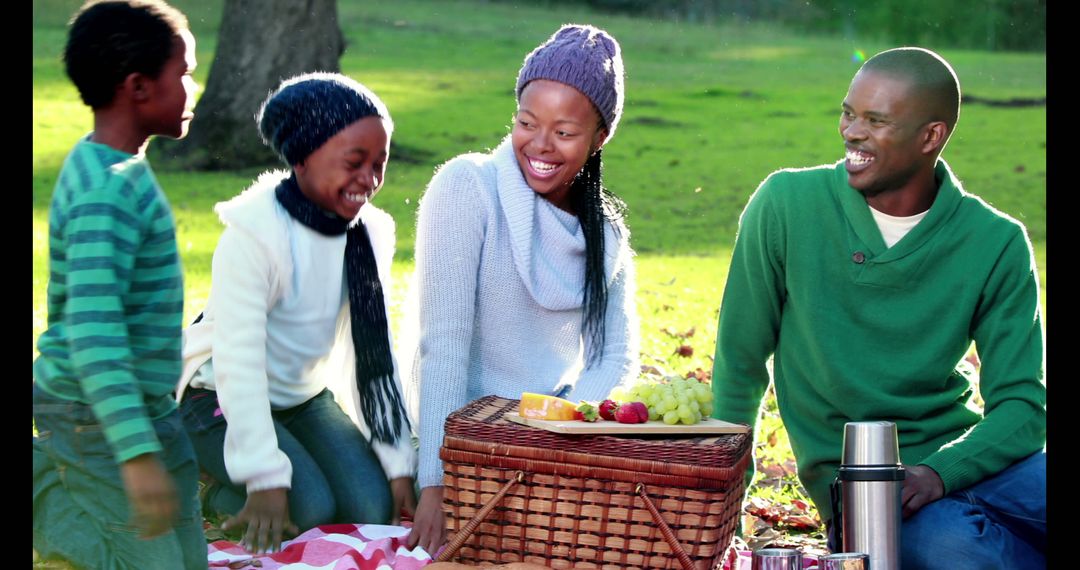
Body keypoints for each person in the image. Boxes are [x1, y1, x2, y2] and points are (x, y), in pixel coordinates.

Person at [711, 47, 1046, 568]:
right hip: (867, 493)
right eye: (848, 113)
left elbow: (1023, 407)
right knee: (960, 552)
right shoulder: (786, 206)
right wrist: (720, 518)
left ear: (930, 136)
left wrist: (940, 473)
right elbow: (739, 365)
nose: (851, 132)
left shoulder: (995, 241)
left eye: (875, 120)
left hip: (977, 463)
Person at [404, 24, 641, 554]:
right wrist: (435, 483)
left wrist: (557, 435)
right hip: (461, 438)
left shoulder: (605, 234)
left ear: (600, 136)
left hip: (554, 436)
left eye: (564, 131)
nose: (540, 144)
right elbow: (442, 342)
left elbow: (615, 356)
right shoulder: (467, 187)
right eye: (527, 123)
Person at [175, 72, 417, 555]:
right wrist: (263, 475)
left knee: (370, 507)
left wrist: (397, 463)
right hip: (216, 399)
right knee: (307, 510)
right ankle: (200, 489)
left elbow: (370, 356)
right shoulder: (255, 233)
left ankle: (274, 471)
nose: (368, 180)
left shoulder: (369, 233)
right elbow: (238, 364)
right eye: (354, 162)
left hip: (300, 399)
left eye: (379, 163)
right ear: (303, 158)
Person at [32, 1, 205, 568]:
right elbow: (94, 336)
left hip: (145, 405)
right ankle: (45, 495)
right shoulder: (106, 196)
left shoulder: (120, 168)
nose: (192, 86)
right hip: (91, 414)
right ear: (137, 86)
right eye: (182, 73)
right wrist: (134, 457)